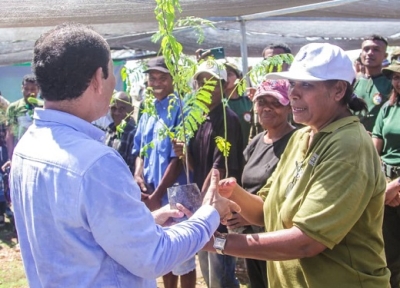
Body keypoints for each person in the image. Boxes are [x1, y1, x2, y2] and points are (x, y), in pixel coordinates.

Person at [10, 23, 240, 288]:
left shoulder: (28, 146)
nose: (114, 82)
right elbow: (154, 256)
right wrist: (210, 214)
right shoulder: (95, 163)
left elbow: (75, 234)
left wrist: (146, 222)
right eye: (111, 73)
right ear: (98, 78)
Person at [213, 43, 390, 287]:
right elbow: (265, 212)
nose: (294, 93)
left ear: (338, 90)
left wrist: (216, 243)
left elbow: (307, 241)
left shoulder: (349, 146)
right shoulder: (301, 136)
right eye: (293, 83)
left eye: (306, 84)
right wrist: (229, 194)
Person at [174, 60, 244, 288]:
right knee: (207, 265)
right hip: (203, 207)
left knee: (221, 273)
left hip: (217, 209)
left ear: (224, 86)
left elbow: (218, 169)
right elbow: (195, 167)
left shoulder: (227, 119)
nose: (206, 88)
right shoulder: (200, 119)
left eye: (212, 83)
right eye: (201, 83)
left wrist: (203, 209)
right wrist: (184, 154)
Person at [132, 56, 197, 288]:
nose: (157, 82)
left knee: (183, 256)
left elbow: (178, 158)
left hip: (176, 193)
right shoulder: (147, 108)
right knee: (162, 254)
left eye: (163, 78)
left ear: (173, 80)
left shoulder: (181, 107)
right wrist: (138, 176)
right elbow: (140, 149)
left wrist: (158, 195)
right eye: (152, 78)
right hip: (150, 192)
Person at [227, 79, 295, 288]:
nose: (267, 108)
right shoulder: (257, 141)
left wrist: (247, 217)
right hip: (252, 237)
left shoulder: (296, 141)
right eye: (261, 102)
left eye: (275, 103)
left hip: (275, 235)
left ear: (289, 107)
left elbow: (288, 193)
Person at [372, 61, 400, 288]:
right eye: (395, 77)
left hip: (396, 186)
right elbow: (375, 149)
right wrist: (380, 185)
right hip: (386, 183)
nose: (398, 81)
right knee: (388, 250)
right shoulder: (388, 108)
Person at [249, 43, 292, 140]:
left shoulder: (297, 92)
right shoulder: (260, 92)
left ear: (288, 62)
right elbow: (254, 129)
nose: (273, 63)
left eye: (278, 59)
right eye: (268, 60)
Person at [353, 34, 392, 132]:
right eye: (366, 49)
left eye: (376, 50)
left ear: (385, 56)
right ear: (361, 53)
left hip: (378, 142)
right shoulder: (352, 82)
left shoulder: (391, 83)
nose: (370, 53)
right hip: (352, 138)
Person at [5, 74, 42, 160]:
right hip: (21, 153)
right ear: (22, 88)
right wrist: (11, 157)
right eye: (26, 89)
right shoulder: (14, 107)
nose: (29, 93)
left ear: (38, 90)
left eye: (33, 89)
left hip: (39, 152)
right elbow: (10, 134)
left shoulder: (44, 107)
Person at [105, 91, 136, 174]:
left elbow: (131, 171)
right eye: (113, 108)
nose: (116, 113)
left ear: (132, 110)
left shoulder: (134, 135)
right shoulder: (109, 131)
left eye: (122, 109)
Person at [224, 62, 253, 147]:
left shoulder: (248, 102)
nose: (226, 77)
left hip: (246, 153)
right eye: (223, 74)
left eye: (229, 74)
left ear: (239, 78)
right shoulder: (218, 103)